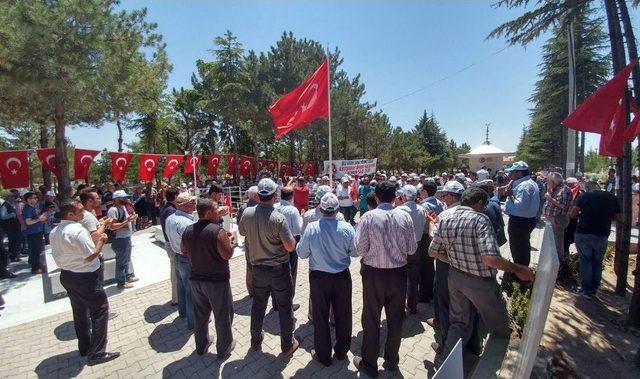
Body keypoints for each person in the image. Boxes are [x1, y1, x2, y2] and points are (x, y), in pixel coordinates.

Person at [429, 187, 533, 366]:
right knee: (498, 326)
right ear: (478, 203)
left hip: (455, 278)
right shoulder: (480, 220)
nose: (484, 208)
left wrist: (454, 259)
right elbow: (490, 259)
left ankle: (445, 364)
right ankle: (498, 366)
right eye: (483, 205)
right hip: (481, 282)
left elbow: (433, 251)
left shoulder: (444, 217)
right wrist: (517, 268)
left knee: (458, 323)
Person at [352, 181, 417, 377]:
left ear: (377, 197)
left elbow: (359, 249)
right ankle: (391, 361)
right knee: (395, 319)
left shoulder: (368, 217)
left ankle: (369, 364)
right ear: (395, 196)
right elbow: (412, 249)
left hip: (373, 275)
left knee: (371, 318)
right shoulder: (405, 216)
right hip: (398, 274)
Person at [50, 200, 120, 366]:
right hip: (85, 277)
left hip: (68, 276)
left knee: (79, 312)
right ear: (70, 214)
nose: (83, 214)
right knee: (100, 312)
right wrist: (102, 241)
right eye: (80, 211)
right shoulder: (77, 231)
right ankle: (97, 353)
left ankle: (85, 346)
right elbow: (90, 255)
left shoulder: (54, 231)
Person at [238, 178, 300, 357]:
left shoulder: (247, 213)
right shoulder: (278, 218)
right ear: (275, 196)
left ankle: (255, 342)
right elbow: (290, 247)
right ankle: (287, 345)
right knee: (284, 307)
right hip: (278, 270)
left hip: (257, 269)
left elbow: (242, 232)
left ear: (258, 195)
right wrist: (292, 240)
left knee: (258, 306)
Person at [297, 193, 356, 367]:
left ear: (321, 209)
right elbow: (355, 252)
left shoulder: (312, 228)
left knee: (320, 316)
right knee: (343, 314)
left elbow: (301, 254)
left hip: (319, 278)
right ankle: (342, 351)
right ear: (338, 209)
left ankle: (323, 355)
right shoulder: (347, 227)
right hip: (341, 277)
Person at [182, 199, 235, 358]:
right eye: (216, 208)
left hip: (196, 279)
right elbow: (227, 254)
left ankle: (201, 345)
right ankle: (224, 348)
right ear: (209, 212)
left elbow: (183, 250)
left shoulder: (188, 230)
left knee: (201, 315)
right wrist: (230, 241)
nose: (218, 210)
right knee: (222, 315)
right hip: (216, 281)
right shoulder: (217, 231)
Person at [569, 180, 621, 297]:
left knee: (586, 261)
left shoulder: (585, 196)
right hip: (602, 234)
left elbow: (573, 214)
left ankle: (586, 289)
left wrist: (582, 215)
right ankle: (594, 289)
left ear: (587, 187)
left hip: (584, 232)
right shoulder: (612, 198)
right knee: (597, 262)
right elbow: (618, 217)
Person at [499, 161, 540, 285]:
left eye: (512, 172)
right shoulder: (528, 184)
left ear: (519, 173)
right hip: (525, 220)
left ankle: (521, 277)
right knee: (521, 248)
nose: (510, 175)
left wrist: (510, 196)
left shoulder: (524, 186)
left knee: (519, 249)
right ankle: (522, 273)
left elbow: (521, 205)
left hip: (520, 221)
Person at [165, 192, 197, 330]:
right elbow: (192, 244)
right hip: (186, 258)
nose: (194, 205)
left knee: (181, 287)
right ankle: (194, 322)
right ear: (184, 205)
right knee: (191, 292)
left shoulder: (170, 218)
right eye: (192, 203)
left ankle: (183, 313)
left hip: (177, 257)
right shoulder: (186, 223)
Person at [397, 185, 427, 314]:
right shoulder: (422, 209)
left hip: (402, 248)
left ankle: (399, 306)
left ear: (404, 196)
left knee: (400, 279)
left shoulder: (399, 210)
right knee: (414, 279)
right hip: (417, 246)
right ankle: (412, 305)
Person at [274, 186, 303, 310]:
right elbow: (298, 229)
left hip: (274, 243)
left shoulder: (274, 207)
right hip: (290, 243)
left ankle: (276, 302)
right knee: (291, 273)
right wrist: (302, 217)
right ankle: (288, 303)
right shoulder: (292, 210)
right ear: (292, 196)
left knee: (276, 273)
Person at [107, 190, 139, 289]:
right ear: (116, 199)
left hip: (126, 237)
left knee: (126, 259)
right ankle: (121, 282)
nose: (126, 199)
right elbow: (112, 226)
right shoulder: (113, 210)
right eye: (123, 197)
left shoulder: (123, 207)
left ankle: (128, 276)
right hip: (119, 239)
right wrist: (127, 221)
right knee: (121, 261)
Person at [543, 172, 573, 274]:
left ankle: (558, 267)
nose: (547, 182)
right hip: (552, 219)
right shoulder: (554, 189)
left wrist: (550, 199)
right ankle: (553, 264)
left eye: (548, 181)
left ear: (553, 181)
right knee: (552, 242)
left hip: (558, 219)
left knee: (557, 243)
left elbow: (562, 205)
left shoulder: (564, 190)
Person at [238, 186, 259, 297]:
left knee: (250, 266)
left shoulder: (243, 208)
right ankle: (254, 290)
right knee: (253, 266)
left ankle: (253, 290)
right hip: (253, 240)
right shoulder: (246, 208)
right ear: (255, 196)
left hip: (250, 239)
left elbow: (239, 227)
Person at [159, 188, 179, 306]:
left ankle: (176, 296)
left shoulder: (166, 208)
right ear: (176, 196)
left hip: (169, 243)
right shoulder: (170, 211)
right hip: (172, 244)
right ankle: (176, 298)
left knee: (174, 270)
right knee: (176, 272)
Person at [22, 192, 47, 274]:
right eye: (34, 197)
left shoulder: (32, 207)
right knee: (35, 251)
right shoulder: (27, 209)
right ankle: (35, 268)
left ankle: (37, 265)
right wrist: (39, 219)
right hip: (33, 233)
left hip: (37, 231)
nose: (36, 199)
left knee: (37, 250)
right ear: (28, 199)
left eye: (36, 197)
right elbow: (28, 222)